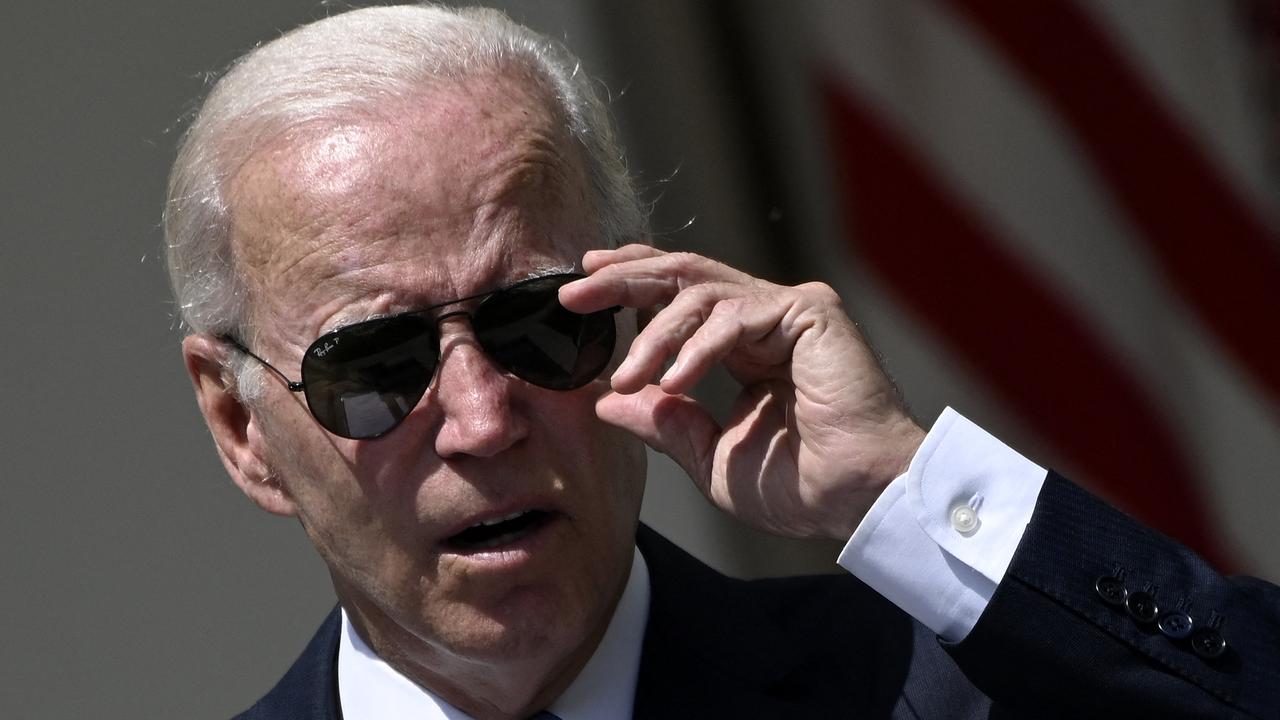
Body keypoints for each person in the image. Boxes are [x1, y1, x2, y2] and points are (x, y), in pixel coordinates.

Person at [164, 5, 1279, 719]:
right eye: (377, 362)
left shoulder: (941, 693)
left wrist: (902, 487)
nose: (481, 418)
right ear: (241, 427)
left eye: (536, 324)